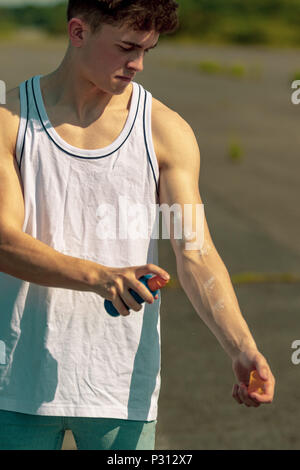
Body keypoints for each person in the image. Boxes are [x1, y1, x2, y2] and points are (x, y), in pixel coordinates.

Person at [0, 0, 275, 451]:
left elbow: (195, 251)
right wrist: (101, 278)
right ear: (77, 32)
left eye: (147, 50)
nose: (138, 64)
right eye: (127, 47)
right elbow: (4, 241)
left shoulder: (166, 130)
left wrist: (242, 346)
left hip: (119, 385)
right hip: (14, 381)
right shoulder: (9, 120)